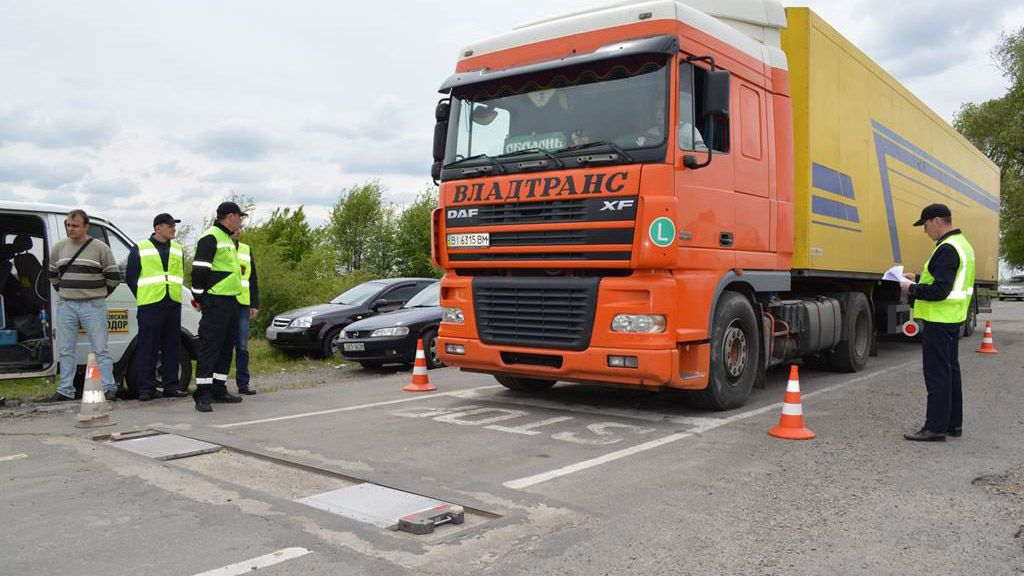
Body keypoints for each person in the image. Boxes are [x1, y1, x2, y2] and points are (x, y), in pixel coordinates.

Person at [900, 203, 975, 442]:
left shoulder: (946, 248)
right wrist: (920, 278)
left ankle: (935, 428)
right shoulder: (962, 245)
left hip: (939, 319)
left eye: (925, 225)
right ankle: (953, 424)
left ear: (937, 221)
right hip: (952, 318)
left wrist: (911, 288)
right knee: (950, 371)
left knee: (937, 374)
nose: (925, 231)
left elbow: (940, 290)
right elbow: (949, 281)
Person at [43, 209, 121, 402]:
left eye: (75, 225)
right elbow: (52, 274)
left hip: (92, 304)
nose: (71, 229)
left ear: (86, 226)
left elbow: (113, 277)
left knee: (100, 348)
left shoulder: (100, 248)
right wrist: (64, 291)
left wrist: (98, 294)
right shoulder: (59, 247)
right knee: (66, 349)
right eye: (68, 225)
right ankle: (65, 390)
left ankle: (108, 387)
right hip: (67, 305)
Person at [125, 213, 188, 401]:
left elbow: (179, 274)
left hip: (172, 303)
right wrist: (143, 295)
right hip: (150, 304)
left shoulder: (177, 249)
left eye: (173, 226)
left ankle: (171, 386)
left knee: (172, 346)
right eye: (170, 226)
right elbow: (131, 277)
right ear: (158, 228)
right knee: (148, 347)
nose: (173, 229)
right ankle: (146, 388)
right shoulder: (140, 248)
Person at [190, 202, 246, 412]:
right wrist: (199, 297)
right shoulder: (211, 236)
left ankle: (218, 389)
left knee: (225, 347)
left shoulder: (228, 239)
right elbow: (199, 270)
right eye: (239, 217)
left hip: (231, 300)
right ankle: (202, 394)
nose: (241, 221)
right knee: (210, 347)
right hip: (215, 301)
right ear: (230, 216)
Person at [231, 228, 259, 395]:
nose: (237, 231)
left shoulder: (245, 249)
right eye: (234, 229)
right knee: (222, 345)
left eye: (239, 228)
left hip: (243, 304)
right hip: (225, 304)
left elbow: (252, 278)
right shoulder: (219, 247)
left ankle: (243, 383)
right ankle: (217, 384)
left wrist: (254, 304)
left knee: (242, 346)